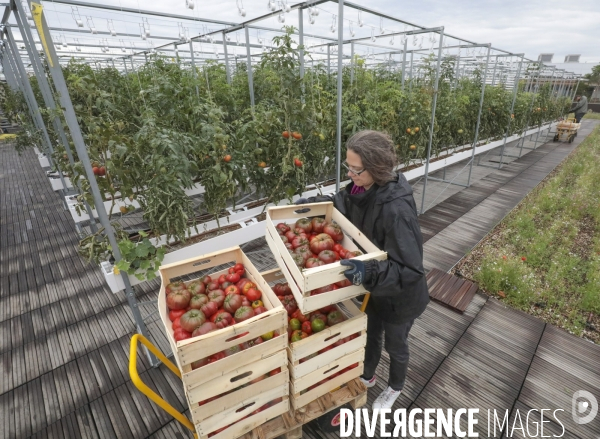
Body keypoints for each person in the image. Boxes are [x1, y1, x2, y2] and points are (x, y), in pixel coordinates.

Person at [296, 130, 429, 410]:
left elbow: (409, 269)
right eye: (348, 167)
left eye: (355, 169)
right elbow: (344, 203)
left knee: (395, 344)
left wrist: (368, 273)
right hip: (375, 288)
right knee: (370, 332)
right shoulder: (361, 189)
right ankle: (367, 375)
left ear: (377, 168)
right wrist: (316, 207)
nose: (350, 174)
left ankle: (395, 386)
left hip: (400, 297)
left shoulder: (396, 209)